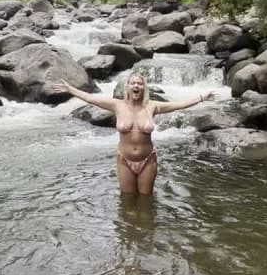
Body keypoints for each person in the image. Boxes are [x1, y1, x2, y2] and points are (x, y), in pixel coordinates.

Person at [61, 71, 218, 196]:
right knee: (127, 201)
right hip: (124, 160)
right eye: (133, 83)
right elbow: (90, 99)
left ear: (144, 88)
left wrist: (202, 97)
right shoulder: (117, 105)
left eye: (140, 83)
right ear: (127, 87)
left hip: (148, 159)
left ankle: (146, 234)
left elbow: (179, 105)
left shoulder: (152, 106)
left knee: (146, 201)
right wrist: (70, 89)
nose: (136, 85)